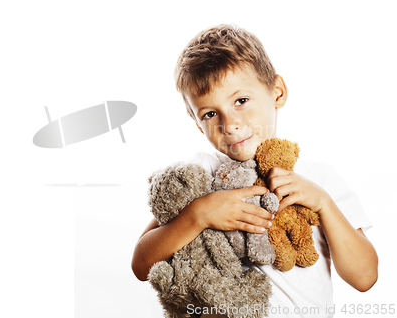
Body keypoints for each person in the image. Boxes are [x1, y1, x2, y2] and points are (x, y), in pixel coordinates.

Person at [131, 24, 378, 317]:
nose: (230, 123)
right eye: (210, 114)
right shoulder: (202, 174)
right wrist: (198, 215)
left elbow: (364, 277)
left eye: (241, 101)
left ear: (278, 92)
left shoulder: (319, 179)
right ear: (198, 126)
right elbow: (141, 265)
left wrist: (323, 204)